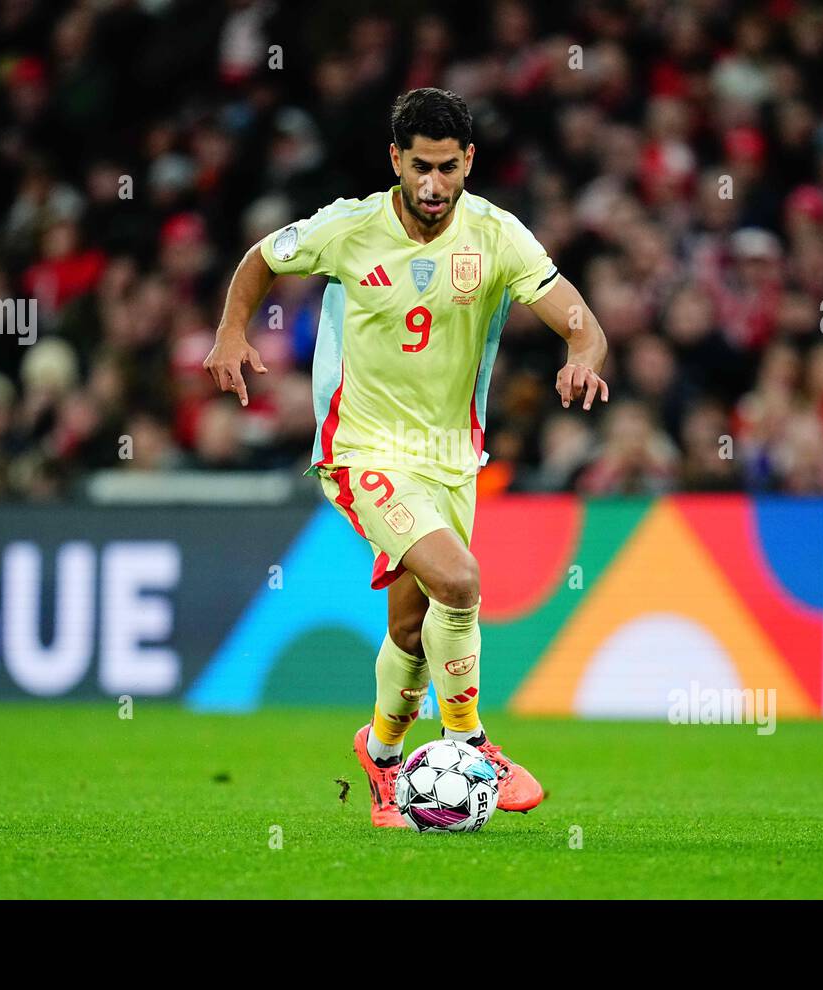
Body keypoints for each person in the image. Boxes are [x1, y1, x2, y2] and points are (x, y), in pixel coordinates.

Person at [204, 88, 609, 827]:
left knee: (410, 629)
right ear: (395, 159)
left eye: (448, 168)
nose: (432, 185)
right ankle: (472, 742)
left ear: (469, 162)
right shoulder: (348, 227)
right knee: (459, 579)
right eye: (419, 166)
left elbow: (579, 317)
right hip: (361, 451)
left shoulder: (497, 236)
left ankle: (382, 755)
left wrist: (583, 352)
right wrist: (233, 331)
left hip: (454, 458)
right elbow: (260, 259)